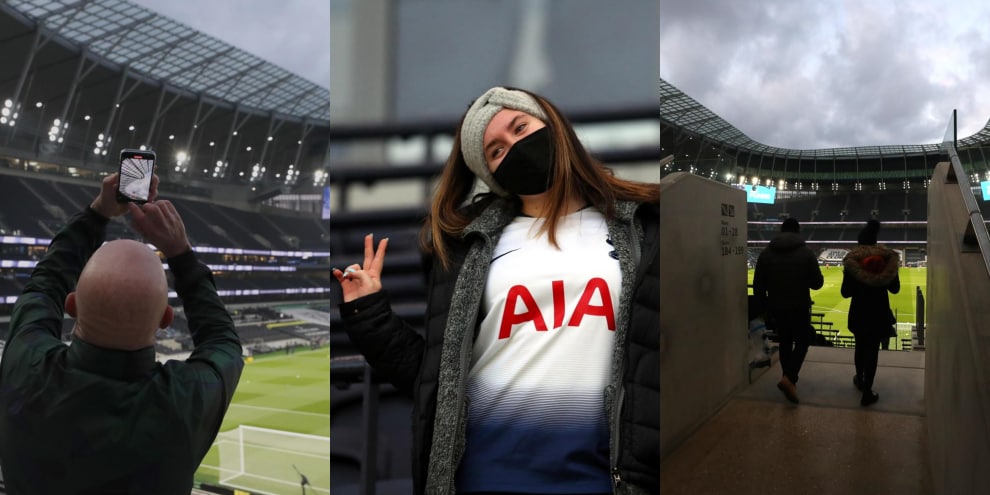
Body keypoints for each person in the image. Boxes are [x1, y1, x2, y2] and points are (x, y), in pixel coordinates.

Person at [332, 87, 660, 495]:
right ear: (491, 175)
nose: (517, 147)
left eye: (521, 127)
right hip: (488, 474)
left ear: (552, 123)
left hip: (603, 475)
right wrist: (370, 313)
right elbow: (435, 381)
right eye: (496, 151)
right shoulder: (466, 246)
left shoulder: (645, 226)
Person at [0, 174, 243, 493]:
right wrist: (180, 252)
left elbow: (45, 283)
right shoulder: (184, 403)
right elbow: (223, 341)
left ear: (72, 305)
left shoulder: (24, 365)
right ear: (166, 319)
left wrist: (99, 211)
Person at [752, 217, 824, 404]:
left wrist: (764, 307)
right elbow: (817, 283)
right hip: (799, 306)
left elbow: (758, 285)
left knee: (784, 343)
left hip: (777, 307)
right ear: (798, 231)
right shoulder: (806, 253)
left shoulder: (766, 254)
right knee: (802, 342)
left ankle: (788, 380)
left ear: (781, 231)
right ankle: (789, 378)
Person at [841, 219, 899, 407]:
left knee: (860, 346)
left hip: (859, 311)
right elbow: (895, 289)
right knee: (873, 350)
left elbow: (845, 292)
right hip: (879, 311)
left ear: (859, 244)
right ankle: (867, 391)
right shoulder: (886, 260)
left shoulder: (852, 262)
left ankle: (859, 378)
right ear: (875, 242)